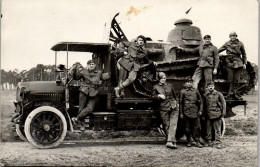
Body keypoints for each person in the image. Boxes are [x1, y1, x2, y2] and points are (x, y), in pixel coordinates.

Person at [69, 60, 102, 130]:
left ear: (95, 65)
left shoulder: (99, 73)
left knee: (90, 108)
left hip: (93, 92)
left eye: (93, 64)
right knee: (81, 108)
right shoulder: (83, 72)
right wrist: (74, 69)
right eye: (90, 64)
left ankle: (76, 119)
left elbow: (104, 79)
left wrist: (100, 83)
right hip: (84, 91)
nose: (91, 65)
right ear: (87, 65)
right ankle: (81, 125)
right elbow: (76, 77)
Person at [152, 72, 179, 149]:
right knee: (167, 124)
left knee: (173, 124)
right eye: (161, 78)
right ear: (159, 79)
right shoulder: (155, 87)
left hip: (173, 106)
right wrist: (158, 96)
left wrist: (177, 103)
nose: (163, 80)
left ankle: (170, 142)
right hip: (163, 107)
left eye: (164, 78)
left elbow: (175, 94)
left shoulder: (170, 85)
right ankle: (171, 141)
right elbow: (152, 97)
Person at [218, 31, 247, 99]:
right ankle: (229, 93)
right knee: (230, 79)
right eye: (231, 36)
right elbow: (219, 50)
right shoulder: (227, 43)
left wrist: (244, 63)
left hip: (238, 62)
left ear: (236, 36)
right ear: (229, 37)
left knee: (236, 79)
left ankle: (235, 93)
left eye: (234, 36)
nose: (232, 37)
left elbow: (244, 54)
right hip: (229, 62)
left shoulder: (240, 43)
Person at [179, 78, 203, 148]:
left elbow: (201, 101)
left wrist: (200, 110)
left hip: (195, 112)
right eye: (187, 82)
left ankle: (197, 141)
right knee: (187, 128)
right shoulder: (182, 92)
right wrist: (181, 113)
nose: (189, 84)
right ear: (185, 84)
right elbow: (180, 103)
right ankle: (188, 140)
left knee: (197, 128)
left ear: (192, 83)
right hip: (186, 112)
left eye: (190, 82)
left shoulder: (196, 91)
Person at [202, 81, 226, 149]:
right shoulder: (205, 95)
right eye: (209, 86)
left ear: (214, 86)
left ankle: (218, 142)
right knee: (208, 129)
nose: (210, 88)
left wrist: (223, 112)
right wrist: (203, 115)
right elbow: (203, 106)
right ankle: (208, 141)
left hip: (216, 114)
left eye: (212, 86)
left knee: (217, 129)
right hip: (208, 114)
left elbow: (223, 103)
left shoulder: (218, 94)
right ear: (207, 87)